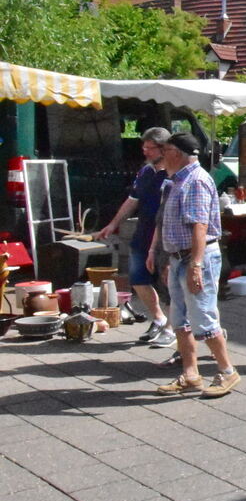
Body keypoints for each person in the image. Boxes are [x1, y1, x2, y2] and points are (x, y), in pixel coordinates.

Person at [153, 133, 240, 398]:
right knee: (180, 320)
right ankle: (191, 375)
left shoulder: (196, 180)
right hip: (180, 257)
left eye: (164, 150)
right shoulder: (176, 181)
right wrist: (172, 258)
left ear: (177, 153)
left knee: (203, 317)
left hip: (194, 258)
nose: (160, 155)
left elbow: (199, 226)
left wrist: (195, 265)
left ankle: (228, 372)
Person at [97, 127, 173, 348]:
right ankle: (158, 318)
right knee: (138, 278)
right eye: (144, 147)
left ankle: (171, 326)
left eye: (150, 148)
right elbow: (132, 200)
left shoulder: (173, 173)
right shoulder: (145, 171)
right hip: (143, 232)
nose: (145, 152)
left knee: (168, 284)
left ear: (163, 148)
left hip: (165, 236)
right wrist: (113, 224)